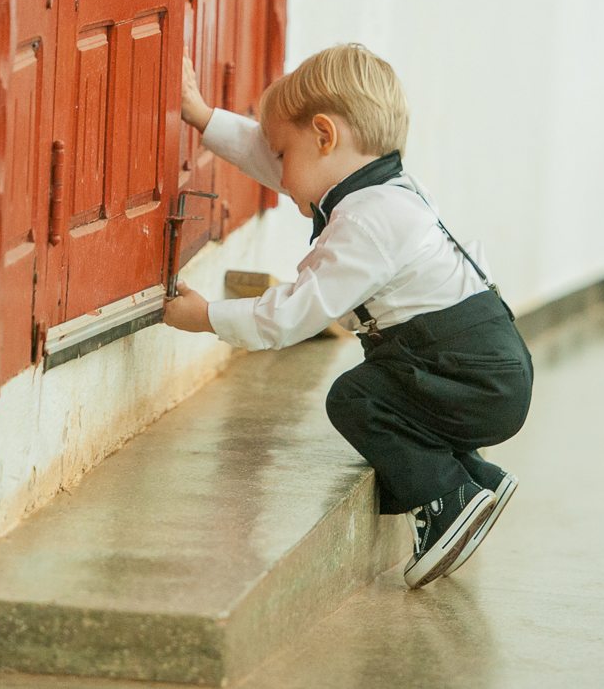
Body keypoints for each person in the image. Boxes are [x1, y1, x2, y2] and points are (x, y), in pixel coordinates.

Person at [164, 43, 533, 589]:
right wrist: (203, 118)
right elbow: (280, 161)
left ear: (325, 136)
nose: (280, 172)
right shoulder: (387, 192)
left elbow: (292, 315)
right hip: (491, 366)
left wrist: (206, 317)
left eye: (284, 154)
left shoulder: (366, 224)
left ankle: (448, 499)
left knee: (358, 399)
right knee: (391, 384)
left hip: (471, 375)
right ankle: (475, 475)